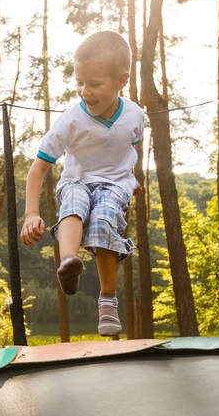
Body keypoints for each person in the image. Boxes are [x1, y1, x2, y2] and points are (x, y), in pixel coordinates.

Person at [20, 30, 145, 337]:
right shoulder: (70, 120)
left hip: (114, 185)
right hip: (76, 180)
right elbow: (37, 170)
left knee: (103, 222)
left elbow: (129, 149)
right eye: (80, 83)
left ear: (121, 81)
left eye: (94, 84)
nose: (85, 92)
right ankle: (69, 264)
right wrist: (31, 213)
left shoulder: (135, 116)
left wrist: (133, 177)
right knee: (74, 205)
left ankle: (107, 300)